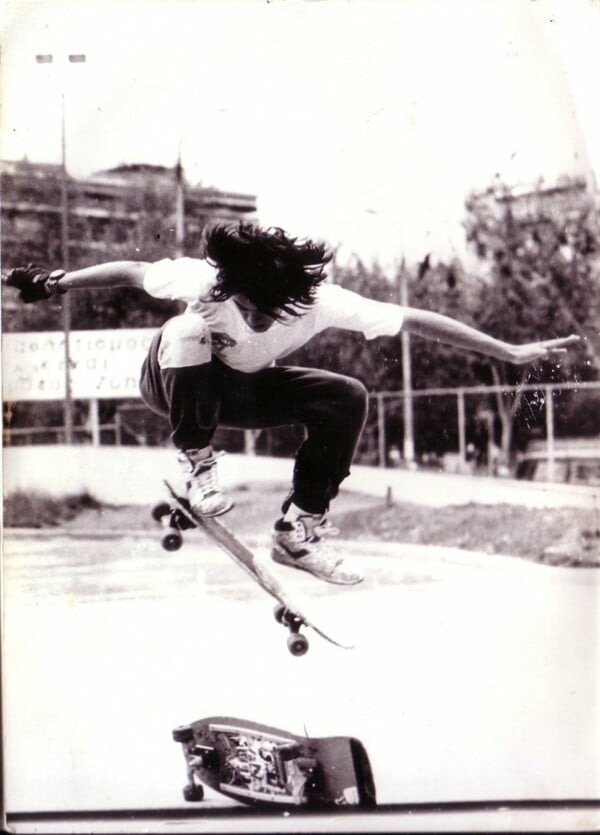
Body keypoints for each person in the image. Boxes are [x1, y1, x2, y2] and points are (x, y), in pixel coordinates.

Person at [6, 223, 579, 585]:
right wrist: (55, 282)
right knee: (187, 332)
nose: (252, 318)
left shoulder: (323, 301)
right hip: (171, 381)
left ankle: (299, 530)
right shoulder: (203, 280)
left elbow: (414, 321)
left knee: (345, 395)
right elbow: (132, 271)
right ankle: (197, 464)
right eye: (245, 306)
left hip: (243, 391)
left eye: (263, 313)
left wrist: (505, 349)